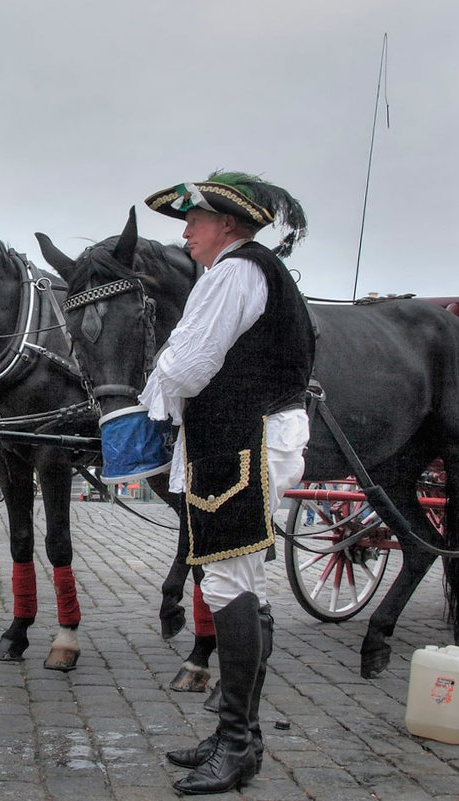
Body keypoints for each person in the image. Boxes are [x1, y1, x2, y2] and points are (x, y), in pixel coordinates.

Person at [138, 172, 314, 795]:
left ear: (229, 225)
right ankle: (238, 736)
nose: (185, 232)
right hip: (243, 436)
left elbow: (187, 364)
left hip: (246, 441)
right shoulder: (245, 270)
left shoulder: (235, 273)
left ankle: (238, 744)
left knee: (229, 580)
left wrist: (149, 396)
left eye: (196, 220)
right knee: (243, 583)